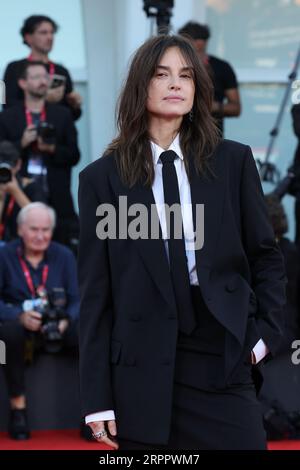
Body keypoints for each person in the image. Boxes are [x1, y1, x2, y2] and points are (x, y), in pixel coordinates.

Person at [78, 34, 286, 450]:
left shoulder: (233, 161)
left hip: (222, 354)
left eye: (185, 76)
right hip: (141, 365)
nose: (176, 84)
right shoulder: (101, 179)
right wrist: (96, 398)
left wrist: (263, 336)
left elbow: (266, 255)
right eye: (162, 74)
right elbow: (95, 294)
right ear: (141, 86)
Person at [0, 202, 79, 440]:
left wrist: (66, 319)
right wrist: (19, 316)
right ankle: (18, 410)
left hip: (58, 327)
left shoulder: (64, 255)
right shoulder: (4, 255)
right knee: (9, 332)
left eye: (46, 230)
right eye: (34, 229)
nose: (40, 236)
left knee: (89, 331)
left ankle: (91, 412)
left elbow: (78, 298)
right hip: (21, 331)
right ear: (21, 229)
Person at [0, 61, 80, 249]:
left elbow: (74, 154)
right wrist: (22, 143)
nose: (43, 81)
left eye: (45, 77)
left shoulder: (62, 115)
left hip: (57, 196)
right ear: (23, 83)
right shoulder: (8, 117)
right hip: (18, 195)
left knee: (63, 252)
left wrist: (51, 149)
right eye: (36, 77)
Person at [3, 15, 82, 121]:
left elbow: (71, 116)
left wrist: (75, 105)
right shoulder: (14, 68)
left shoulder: (61, 71)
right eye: (43, 32)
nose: (50, 37)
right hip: (22, 132)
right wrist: (44, 99)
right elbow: (7, 106)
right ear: (28, 37)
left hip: (55, 133)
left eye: (52, 32)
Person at [178, 21, 241, 136]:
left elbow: (236, 108)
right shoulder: (177, 66)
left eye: (185, 42)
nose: (180, 46)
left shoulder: (222, 67)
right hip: (181, 134)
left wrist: (213, 106)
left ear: (200, 43)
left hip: (212, 136)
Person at [0, 141, 46, 243]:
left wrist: (16, 191)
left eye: (8, 167)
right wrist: (1, 199)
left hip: (25, 244)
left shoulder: (32, 187)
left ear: (18, 164)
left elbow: (40, 218)